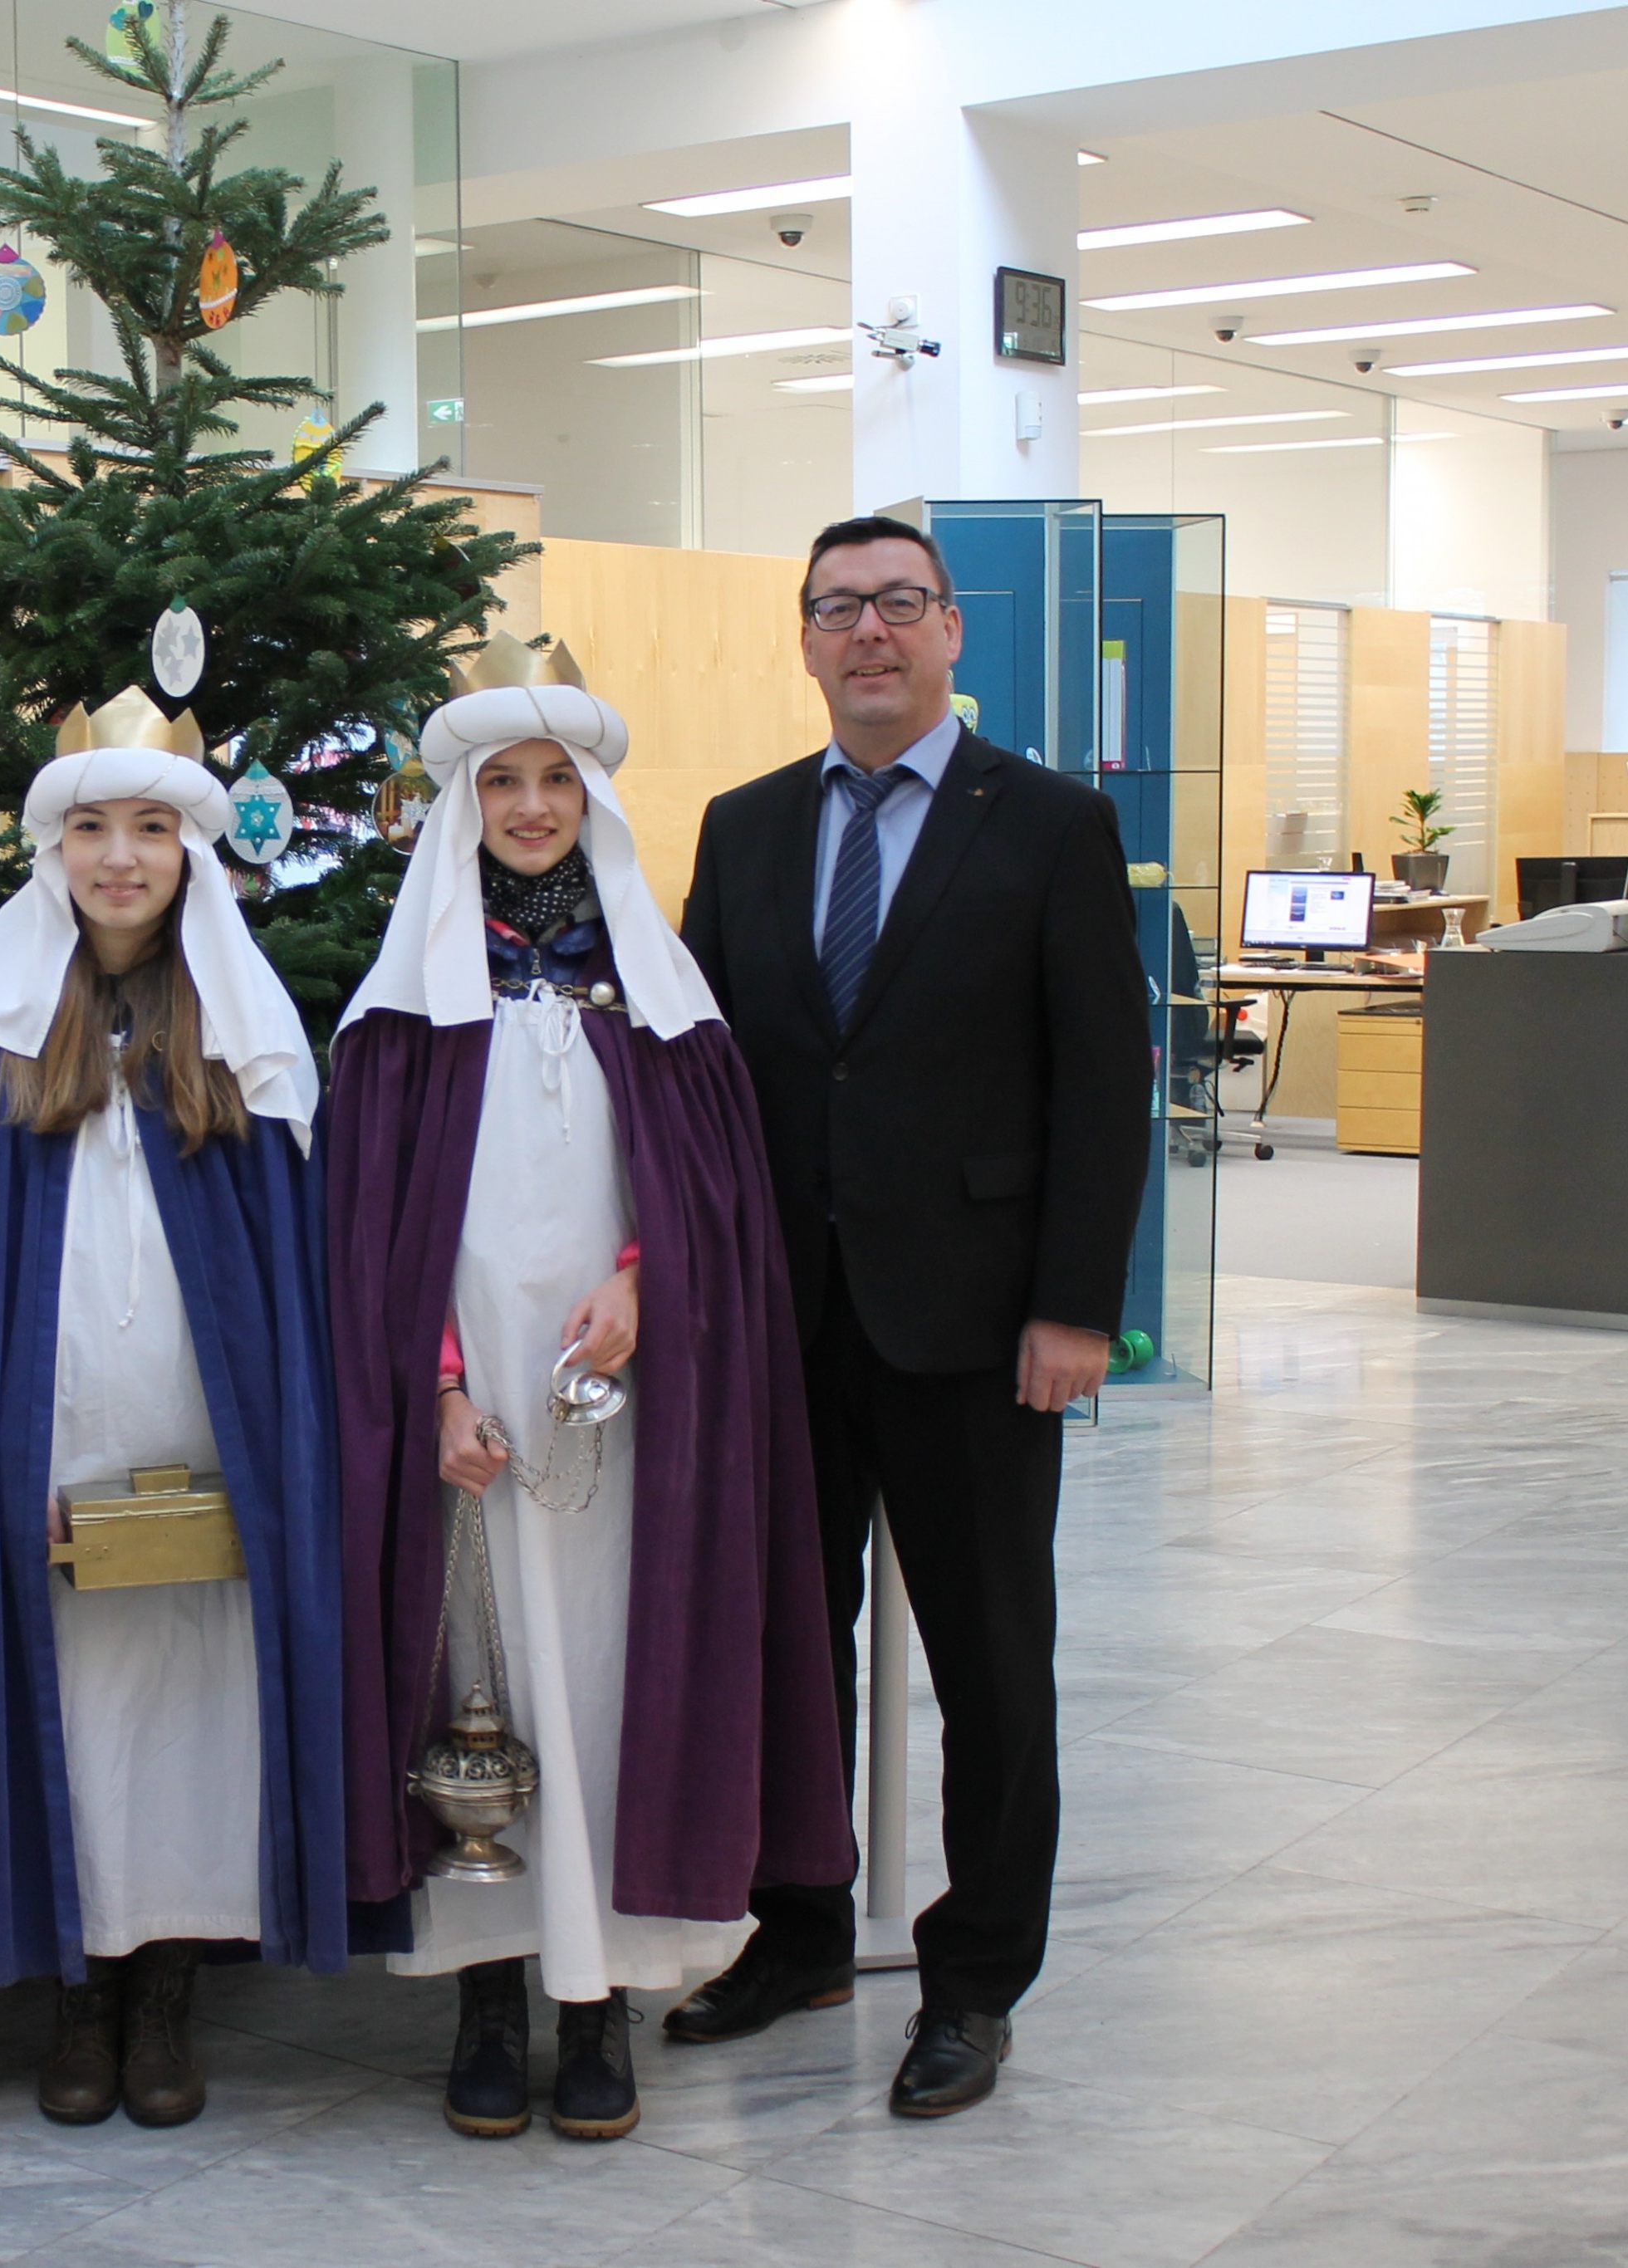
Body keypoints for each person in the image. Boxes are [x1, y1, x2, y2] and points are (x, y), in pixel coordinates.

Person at [328, 634, 852, 2143]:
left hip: (622, 1409)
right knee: (474, 1668)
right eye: (505, 779)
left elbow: (708, 1201)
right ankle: (491, 1989)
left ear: (595, 800)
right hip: (466, 1410)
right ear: (460, 803)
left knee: (614, 1670)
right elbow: (371, 1233)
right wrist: (430, 1390)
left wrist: (642, 1277)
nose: (535, 806)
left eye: (560, 780)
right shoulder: (401, 1014)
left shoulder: (661, 1003)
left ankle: (595, 1996)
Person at [674, 515, 1151, 2116]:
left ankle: (974, 1982)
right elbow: (695, 1079)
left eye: (895, 604)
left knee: (991, 1662)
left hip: (977, 1322)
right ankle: (796, 1926)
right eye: (834, 609)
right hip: (783, 1322)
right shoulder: (742, 830)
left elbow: (1105, 1079)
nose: (865, 632)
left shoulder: (1053, 825)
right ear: (802, 641)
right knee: (783, 1644)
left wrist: (1075, 1305)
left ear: (951, 631)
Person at [0, 690, 345, 2129]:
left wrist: (263, 1454)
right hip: (46, 1444)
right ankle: (79, 1990)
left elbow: (283, 1270)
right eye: (91, 828)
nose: (118, 857)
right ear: (51, 850)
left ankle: (167, 1983)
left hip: (201, 1446)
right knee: (77, 1704)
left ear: (190, 852)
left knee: (192, 1701)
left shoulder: (242, 1027)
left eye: (149, 827)